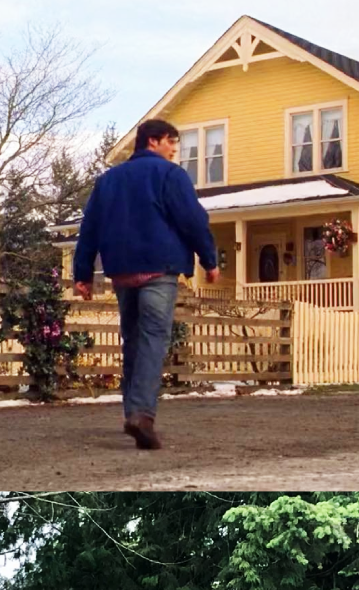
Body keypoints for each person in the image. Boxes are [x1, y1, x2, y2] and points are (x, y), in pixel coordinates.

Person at [73, 119, 220, 449]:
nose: (173, 151)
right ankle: (141, 414)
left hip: (123, 271)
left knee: (134, 340)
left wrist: (83, 273)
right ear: (154, 141)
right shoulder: (170, 175)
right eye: (171, 144)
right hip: (158, 268)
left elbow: (90, 228)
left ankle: (132, 413)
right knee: (153, 338)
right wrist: (209, 259)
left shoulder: (108, 180)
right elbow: (192, 219)